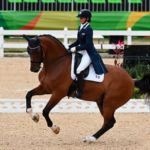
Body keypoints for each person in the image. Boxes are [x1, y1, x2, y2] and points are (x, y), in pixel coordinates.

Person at [68, 9, 108, 98]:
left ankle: (80, 92)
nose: (80, 19)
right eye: (80, 17)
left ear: (87, 18)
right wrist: (70, 46)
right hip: (81, 51)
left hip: (88, 53)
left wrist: (76, 48)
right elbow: (78, 41)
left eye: (81, 18)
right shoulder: (80, 27)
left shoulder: (89, 29)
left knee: (79, 70)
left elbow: (88, 44)